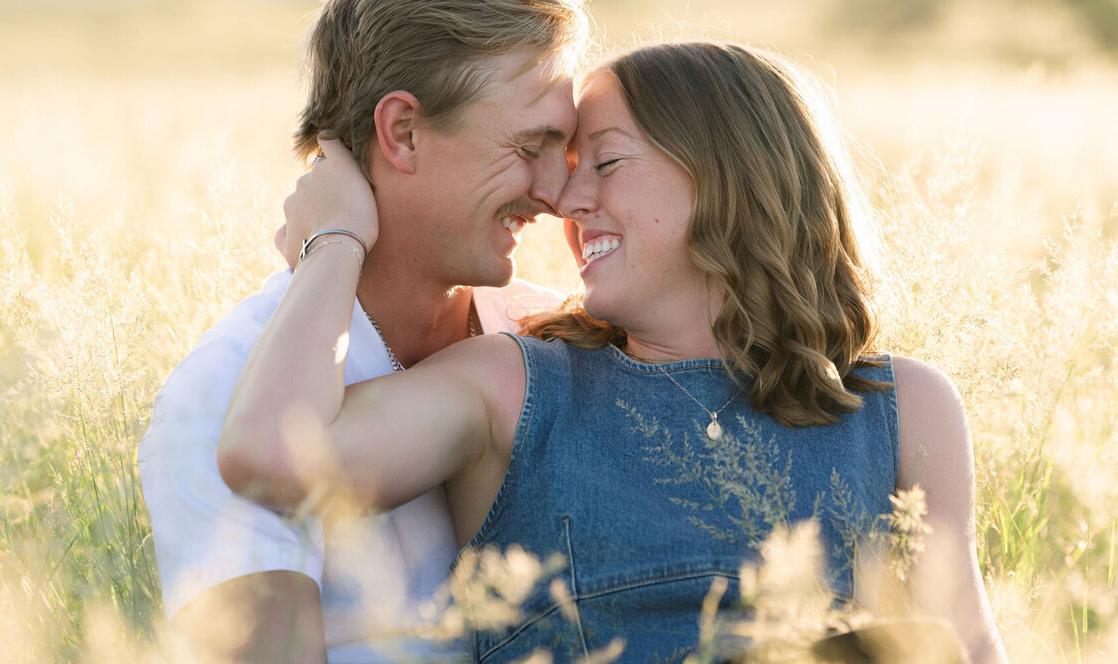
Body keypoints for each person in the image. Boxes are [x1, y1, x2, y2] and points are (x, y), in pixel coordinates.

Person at [218, 41, 1010, 663]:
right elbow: (272, 458)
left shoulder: (900, 407)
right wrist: (335, 242)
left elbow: (968, 649)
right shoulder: (513, 386)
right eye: (568, 173)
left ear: (729, 174)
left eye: (606, 162)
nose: (566, 201)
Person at [137, 0, 590, 663]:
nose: (555, 192)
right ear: (402, 132)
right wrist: (337, 243)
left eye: (565, 154)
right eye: (531, 146)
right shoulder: (224, 393)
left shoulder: (553, 338)